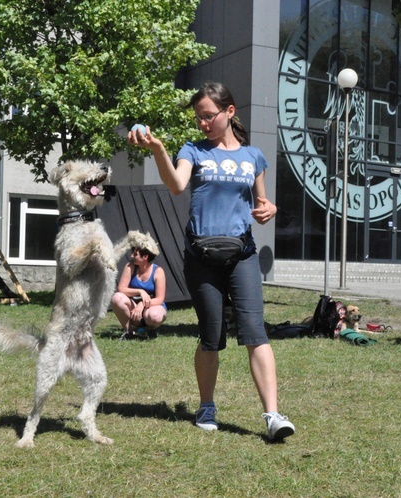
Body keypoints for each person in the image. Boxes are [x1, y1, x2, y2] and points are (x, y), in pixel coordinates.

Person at [128, 81, 295, 440]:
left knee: (255, 332)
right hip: (202, 257)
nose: (202, 123)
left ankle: (273, 415)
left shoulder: (254, 157)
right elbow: (176, 184)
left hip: (242, 256)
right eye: (199, 118)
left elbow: (262, 204)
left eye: (208, 116)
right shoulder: (193, 151)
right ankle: (207, 406)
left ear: (229, 112)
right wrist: (158, 149)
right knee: (210, 336)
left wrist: (270, 208)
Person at [111, 233, 167, 340]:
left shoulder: (158, 271)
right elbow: (121, 289)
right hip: (133, 310)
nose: (132, 256)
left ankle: (150, 330)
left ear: (145, 257)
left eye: (135, 254)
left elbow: (160, 299)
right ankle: (129, 332)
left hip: (151, 308)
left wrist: (143, 304)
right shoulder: (130, 266)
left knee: (155, 316)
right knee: (117, 297)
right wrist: (140, 291)